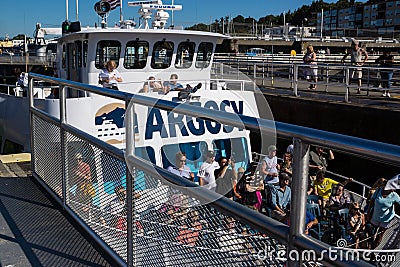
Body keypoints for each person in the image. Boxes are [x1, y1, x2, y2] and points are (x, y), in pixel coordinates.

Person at [370, 177, 400, 248]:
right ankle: (369, 247)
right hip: (375, 217)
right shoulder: (378, 191)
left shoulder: (394, 195)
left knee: (379, 237)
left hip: (386, 219)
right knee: (371, 234)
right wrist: (368, 213)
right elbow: (372, 201)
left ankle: (372, 251)